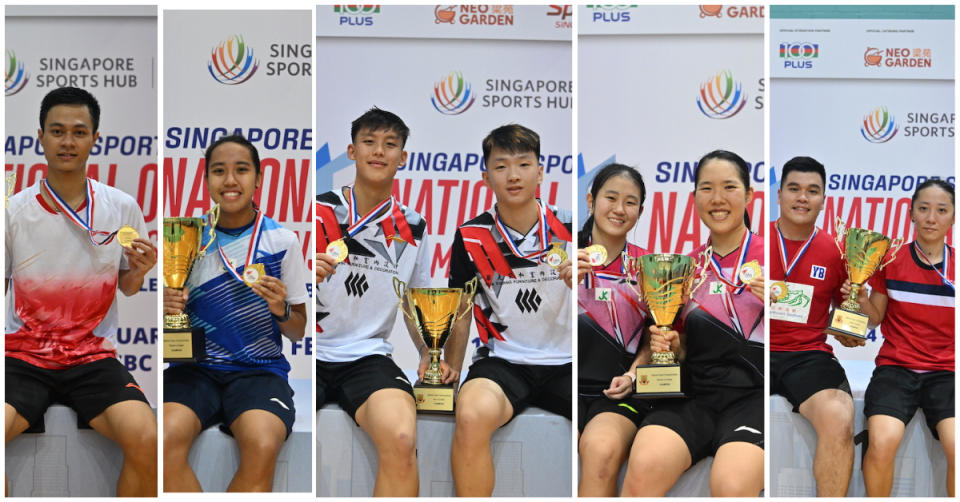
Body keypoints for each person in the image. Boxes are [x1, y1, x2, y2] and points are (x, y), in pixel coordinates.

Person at [5, 86, 158, 496]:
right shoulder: (12, 211)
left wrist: (139, 272)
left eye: (78, 132)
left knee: (147, 437)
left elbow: (127, 286)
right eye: (57, 131)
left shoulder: (121, 207)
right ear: (40, 137)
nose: (67, 142)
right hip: (22, 358)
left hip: (93, 360)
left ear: (95, 138)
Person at [163, 134, 309, 492]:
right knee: (161, 439)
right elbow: (173, 323)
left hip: (258, 373)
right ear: (207, 179)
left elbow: (298, 331)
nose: (230, 181)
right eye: (219, 171)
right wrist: (169, 308)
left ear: (258, 178)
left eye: (241, 170)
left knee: (261, 445)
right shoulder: (185, 236)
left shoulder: (282, 241)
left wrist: (280, 308)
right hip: (193, 371)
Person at [622, 150, 764, 496]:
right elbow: (682, 346)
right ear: (695, 197)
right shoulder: (686, 267)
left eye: (729, 187)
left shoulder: (771, 255)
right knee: (642, 467)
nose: (717, 199)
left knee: (731, 484)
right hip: (694, 395)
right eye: (706, 188)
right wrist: (671, 346)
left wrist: (777, 305)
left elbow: (800, 328)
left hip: (754, 398)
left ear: (748, 195)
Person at [315, 107, 437, 497]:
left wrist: (427, 351)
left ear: (403, 157)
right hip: (309, 354)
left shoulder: (414, 225)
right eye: (369, 142)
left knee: (402, 438)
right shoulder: (316, 211)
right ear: (351, 151)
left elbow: (414, 300)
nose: (378, 152)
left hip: (368, 359)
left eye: (390, 145)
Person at [447, 124, 573, 496]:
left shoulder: (573, 228)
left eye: (523, 164)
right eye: (501, 166)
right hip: (502, 363)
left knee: (605, 428)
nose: (513, 175)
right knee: (470, 416)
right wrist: (449, 367)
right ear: (485, 176)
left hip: (568, 363)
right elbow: (461, 307)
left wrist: (581, 284)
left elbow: (601, 299)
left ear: (541, 170)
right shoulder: (472, 235)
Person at [839, 179, 955, 497]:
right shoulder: (891, 261)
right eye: (923, 209)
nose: (931, 218)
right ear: (911, 214)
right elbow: (875, 317)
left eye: (941, 210)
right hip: (896, 368)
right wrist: (860, 297)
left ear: (953, 218)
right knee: (882, 440)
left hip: (948, 372)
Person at [769, 156, 854, 496]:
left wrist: (850, 331)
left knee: (839, 417)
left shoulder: (837, 251)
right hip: (755, 351)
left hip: (807, 356)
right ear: (779, 195)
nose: (802, 198)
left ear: (823, 200)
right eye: (794, 189)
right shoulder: (752, 245)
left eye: (812, 191)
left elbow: (847, 321)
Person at [575, 163, 653, 496]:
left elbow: (656, 337)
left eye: (630, 202)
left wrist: (635, 375)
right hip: (562, 382)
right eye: (611, 198)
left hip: (617, 391)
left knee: (601, 450)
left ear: (640, 211)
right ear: (591, 201)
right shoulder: (561, 256)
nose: (619, 210)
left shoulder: (649, 266)